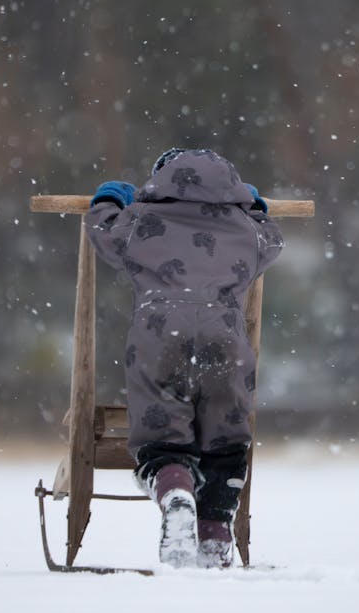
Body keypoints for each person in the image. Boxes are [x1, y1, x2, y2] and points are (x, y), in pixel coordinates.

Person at [86, 148, 284, 568]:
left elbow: (103, 232)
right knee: (225, 441)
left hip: (159, 336)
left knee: (162, 438)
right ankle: (214, 538)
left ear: (159, 182)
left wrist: (109, 200)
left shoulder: (141, 221)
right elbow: (272, 240)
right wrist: (255, 208)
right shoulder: (244, 228)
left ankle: (175, 494)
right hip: (225, 341)